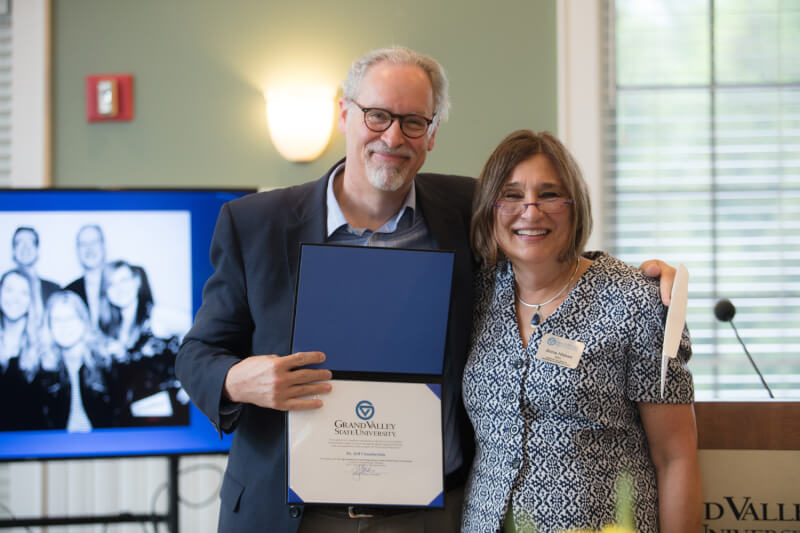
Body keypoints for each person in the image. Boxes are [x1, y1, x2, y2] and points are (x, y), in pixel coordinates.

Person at [175, 46, 678, 533]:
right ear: (344, 114)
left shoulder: (464, 209)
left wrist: (635, 279)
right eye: (377, 115)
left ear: (431, 134)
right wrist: (239, 380)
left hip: (430, 517)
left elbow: (541, 242)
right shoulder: (255, 223)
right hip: (292, 515)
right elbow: (197, 353)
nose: (393, 136)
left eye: (414, 121)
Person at [462, 130, 702, 533]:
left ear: (576, 206)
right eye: (513, 194)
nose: (531, 210)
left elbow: (675, 456)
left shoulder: (636, 301)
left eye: (550, 194)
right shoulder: (477, 294)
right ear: (490, 207)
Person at [98, 259, 187, 427]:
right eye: (111, 284)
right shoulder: (110, 330)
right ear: (106, 292)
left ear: (136, 281)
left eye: (124, 280)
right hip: (131, 420)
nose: (119, 288)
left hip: (167, 417)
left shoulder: (157, 316)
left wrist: (193, 384)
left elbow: (205, 328)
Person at [42, 290, 116, 431]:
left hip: (105, 446)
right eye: (57, 320)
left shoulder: (106, 361)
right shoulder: (45, 368)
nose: (64, 326)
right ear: (49, 326)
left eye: (71, 318)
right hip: (59, 449)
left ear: (84, 321)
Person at [0, 269, 59, 431]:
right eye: (9, 290)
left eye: (23, 293)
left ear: (31, 300)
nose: (15, 299)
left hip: (33, 444)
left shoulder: (44, 345)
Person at [11, 226, 59, 323]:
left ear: (37, 250)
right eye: (19, 242)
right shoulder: (2, 290)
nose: (25, 247)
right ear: (13, 251)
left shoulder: (54, 290)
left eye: (30, 242)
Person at [66, 224, 107, 328]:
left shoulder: (121, 285)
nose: (89, 248)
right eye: (83, 244)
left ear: (103, 246)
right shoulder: (69, 291)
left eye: (94, 242)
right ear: (77, 251)